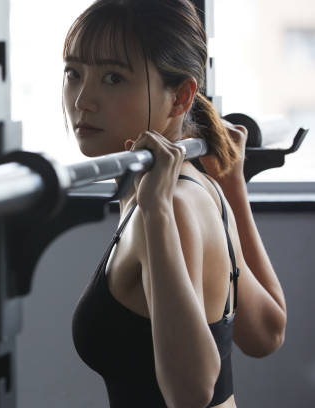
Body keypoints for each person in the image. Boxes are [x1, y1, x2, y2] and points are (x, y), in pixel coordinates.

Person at [65, 1, 288, 407]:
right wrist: (233, 188)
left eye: (113, 77)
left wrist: (158, 214)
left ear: (180, 97)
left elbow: (191, 395)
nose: (83, 100)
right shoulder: (202, 189)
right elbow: (265, 332)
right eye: (73, 73)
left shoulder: (170, 205)